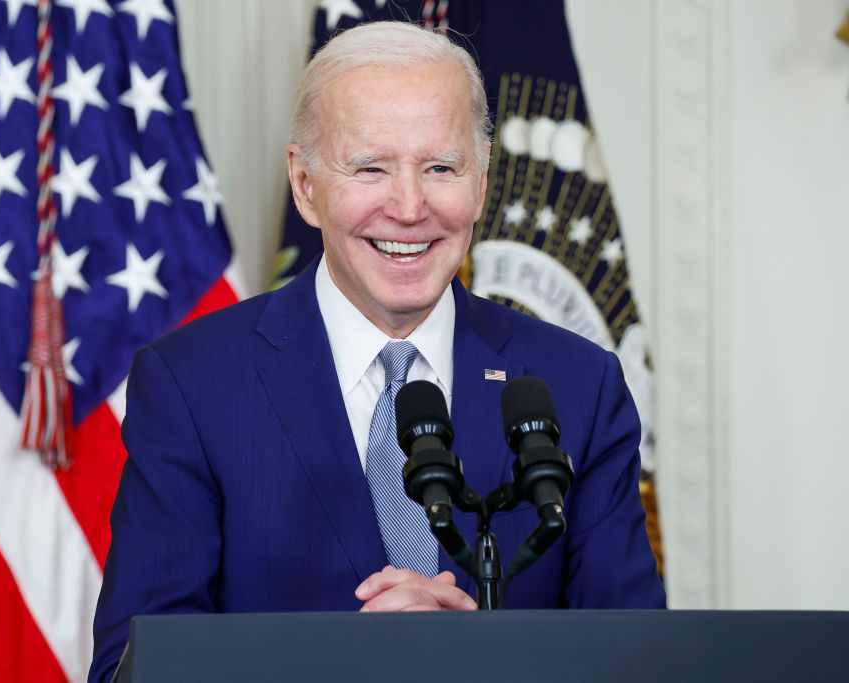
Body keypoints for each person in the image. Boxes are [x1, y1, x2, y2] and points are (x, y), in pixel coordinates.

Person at [89, 21, 664, 682]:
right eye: (371, 168)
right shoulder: (192, 383)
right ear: (306, 186)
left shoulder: (577, 385)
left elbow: (638, 661)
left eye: (440, 168)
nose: (410, 206)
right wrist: (349, 659)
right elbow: (131, 671)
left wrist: (480, 650)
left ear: (480, 184)